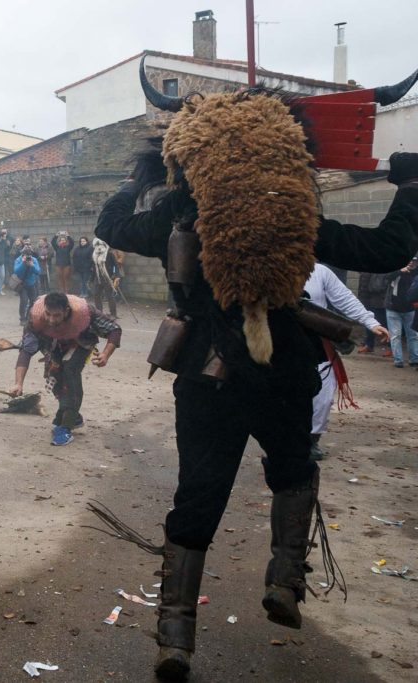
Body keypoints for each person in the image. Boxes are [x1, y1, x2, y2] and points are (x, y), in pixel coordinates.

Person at [94, 63, 418, 680]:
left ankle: (175, 638)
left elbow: (110, 226)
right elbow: (386, 250)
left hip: (207, 376)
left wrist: (137, 177)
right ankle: (286, 582)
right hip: (287, 369)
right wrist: (411, 188)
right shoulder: (296, 219)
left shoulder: (176, 217)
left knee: (198, 493)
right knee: (294, 470)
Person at [10, 291, 121, 445]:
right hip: (54, 347)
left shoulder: (85, 312)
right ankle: (73, 415)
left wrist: (106, 354)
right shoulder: (36, 319)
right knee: (55, 376)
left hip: (80, 344)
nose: (51, 319)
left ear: (66, 311)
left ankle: (65, 426)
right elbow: (26, 351)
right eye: (48, 314)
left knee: (70, 371)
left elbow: (114, 329)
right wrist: (18, 383)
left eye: (56, 316)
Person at [304, 264, 389, 460]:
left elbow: (344, 297)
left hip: (317, 341)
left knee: (323, 394)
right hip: (279, 342)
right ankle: (284, 440)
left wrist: (371, 322)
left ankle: (312, 440)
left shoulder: (320, 271)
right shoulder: (269, 267)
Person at [383, 258, 418, 368]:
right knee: (395, 335)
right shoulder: (396, 270)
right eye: (410, 260)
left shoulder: (416, 274)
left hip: (410, 309)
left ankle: (414, 359)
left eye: (415, 261)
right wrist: (399, 271)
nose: (412, 262)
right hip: (393, 308)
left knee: (412, 335)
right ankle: (398, 360)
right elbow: (385, 279)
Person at [356, 271, 391, 354]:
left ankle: (391, 347)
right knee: (370, 322)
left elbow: (376, 286)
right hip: (369, 300)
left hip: (379, 301)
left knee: (385, 324)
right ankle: (369, 344)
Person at [91, 237, 120, 317]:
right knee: (96, 295)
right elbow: (94, 268)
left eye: (101, 245)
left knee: (109, 296)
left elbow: (116, 266)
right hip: (98, 278)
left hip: (108, 278)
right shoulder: (94, 255)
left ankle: (113, 314)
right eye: (97, 245)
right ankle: (99, 312)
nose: (99, 247)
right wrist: (91, 279)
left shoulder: (110, 254)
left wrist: (116, 276)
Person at [13, 246, 41, 324]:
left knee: (33, 301)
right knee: (24, 301)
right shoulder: (18, 260)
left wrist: (32, 265)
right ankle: (22, 318)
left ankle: (29, 316)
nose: (28, 256)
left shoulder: (34, 260)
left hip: (31, 284)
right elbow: (16, 271)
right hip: (22, 284)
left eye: (29, 254)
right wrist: (23, 263)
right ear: (22, 254)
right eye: (25, 254)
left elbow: (38, 271)